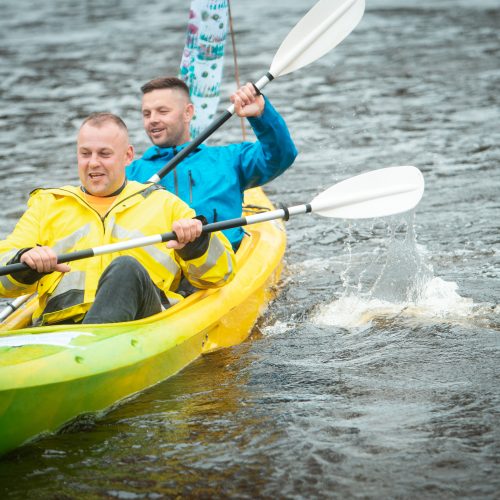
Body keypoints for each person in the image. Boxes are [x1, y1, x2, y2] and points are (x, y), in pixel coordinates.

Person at [0, 113, 235, 326]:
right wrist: (25, 260)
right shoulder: (48, 205)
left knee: (126, 267)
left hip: (142, 323)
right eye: (85, 154)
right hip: (59, 329)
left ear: (128, 156)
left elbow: (221, 274)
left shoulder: (163, 203)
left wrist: (196, 243)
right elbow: (3, 277)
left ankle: (89, 352)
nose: (93, 163)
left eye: (104, 154)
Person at [126, 77, 298, 250]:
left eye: (162, 111)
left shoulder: (229, 160)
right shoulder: (129, 174)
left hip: (220, 262)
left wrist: (262, 115)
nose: (152, 120)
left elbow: (281, 155)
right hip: (159, 268)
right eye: (146, 114)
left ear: (188, 112)